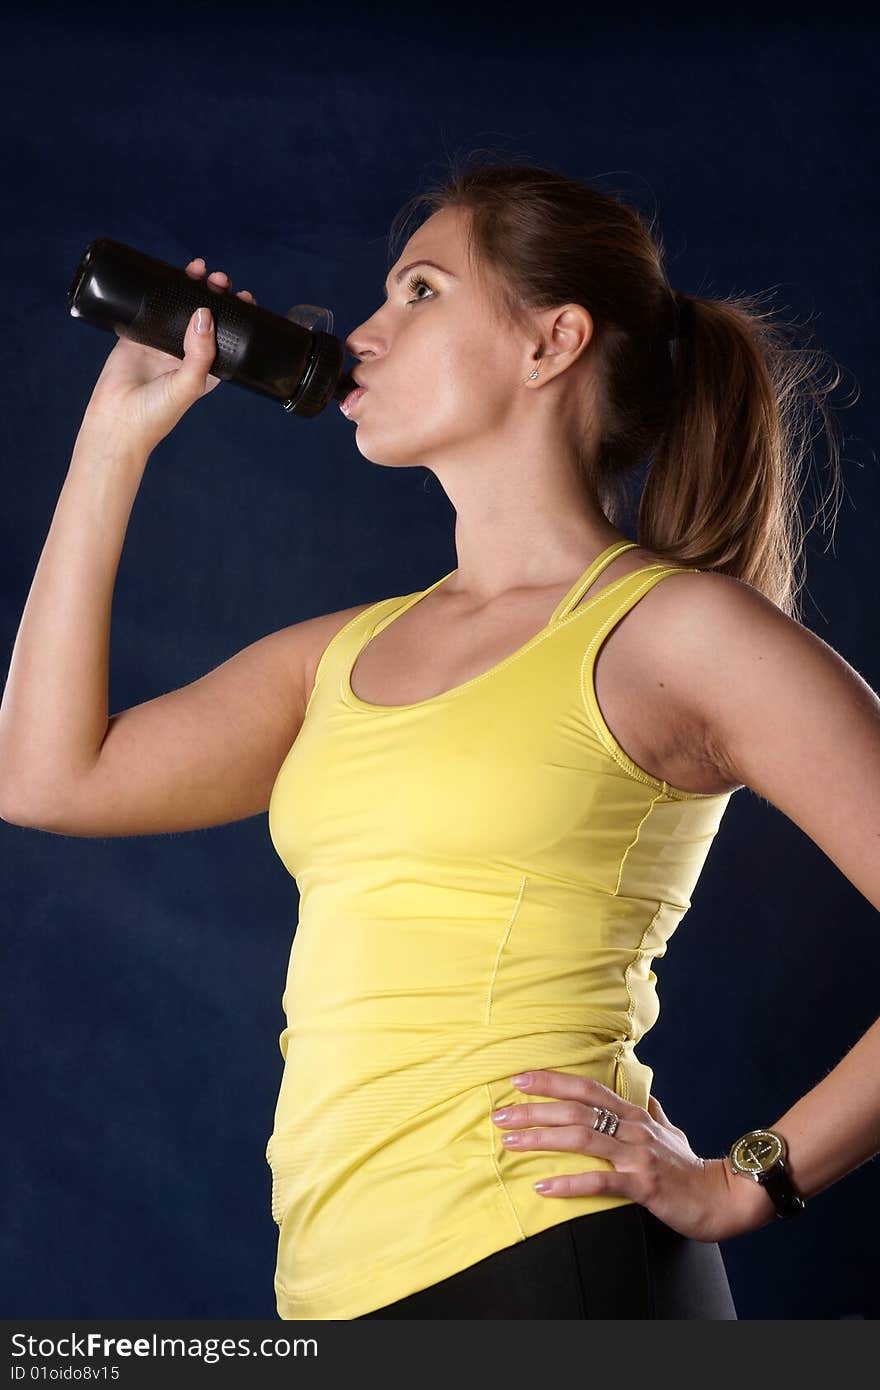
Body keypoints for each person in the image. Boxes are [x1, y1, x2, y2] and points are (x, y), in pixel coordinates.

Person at [2, 157, 877, 1322]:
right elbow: (48, 774)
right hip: (335, 1289)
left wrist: (747, 1180)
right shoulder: (335, 657)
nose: (362, 333)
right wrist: (112, 442)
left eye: (418, 292)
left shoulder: (675, 632)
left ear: (550, 340)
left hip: (552, 1258)